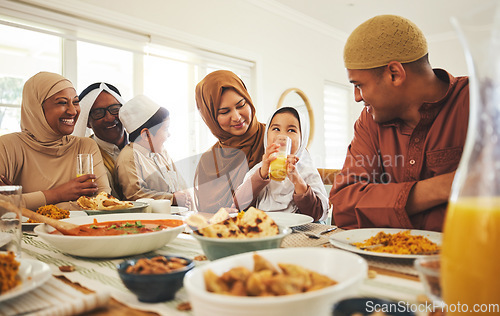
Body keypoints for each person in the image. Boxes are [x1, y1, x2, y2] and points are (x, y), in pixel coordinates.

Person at [330, 15, 469, 232]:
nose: (357, 97)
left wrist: (382, 207)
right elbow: (344, 207)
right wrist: (445, 186)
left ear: (394, 74)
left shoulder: (482, 104)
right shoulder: (369, 120)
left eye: (359, 85)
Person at [0, 72, 111, 210]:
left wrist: (20, 200)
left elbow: (103, 202)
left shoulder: (85, 146)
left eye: (75, 102)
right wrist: (57, 194)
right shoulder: (7, 147)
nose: (72, 111)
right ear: (37, 108)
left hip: (79, 230)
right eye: (62, 103)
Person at [234, 107, 328, 222]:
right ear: (266, 135)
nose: (283, 137)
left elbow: (318, 214)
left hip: (300, 233)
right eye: (276, 129)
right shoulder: (259, 169)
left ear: (302, 139)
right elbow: (239, 205)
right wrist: (261, 175)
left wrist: (297, 180)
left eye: (291, 130)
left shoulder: (307, 172)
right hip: (264, 230)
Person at [194, 70, 266, 213]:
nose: (237, 117)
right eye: (225, 112)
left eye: (241, 105)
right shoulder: (208, 161)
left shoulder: (276, 141)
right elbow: (207, 216)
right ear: (210, 118)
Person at [115, 94, 192, 208]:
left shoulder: (161, 152)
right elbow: (134, 196)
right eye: (165, 129)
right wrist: (172, 199)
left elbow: (180, 184)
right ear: (146, 135)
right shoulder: (128, 157)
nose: (169, 134)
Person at [73, 82, 127, 199]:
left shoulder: (141, 144)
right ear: (87, 122)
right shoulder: (85, 156)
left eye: (115, 109)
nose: (109, 118)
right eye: (98, 113)